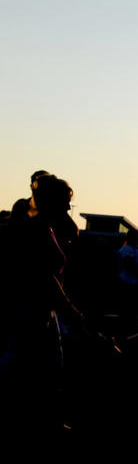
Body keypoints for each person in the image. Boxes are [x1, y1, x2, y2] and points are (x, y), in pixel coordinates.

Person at [2, 173, 83, 431]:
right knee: (29, 374)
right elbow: (46, 279)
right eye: (65, 203)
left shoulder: (41, 227)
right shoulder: (33, 233)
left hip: (39, 314)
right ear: (53, 204)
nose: (69, 208)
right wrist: (71, 311)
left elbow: (72, 231)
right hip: (29, 314)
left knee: (42, 374)